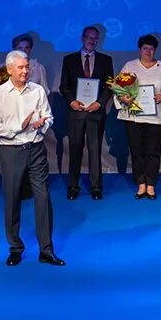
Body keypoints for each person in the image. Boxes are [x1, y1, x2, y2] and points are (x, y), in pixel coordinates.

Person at [0, 50, 64, 267]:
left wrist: (43, 123)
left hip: (36, 149)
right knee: (12, 199)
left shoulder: (37, 90)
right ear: (9, 70)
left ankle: (46, 250)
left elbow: (49, 116)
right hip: (11, 151)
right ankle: (15, 248)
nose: (25, 71)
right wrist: (18, 128)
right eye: (20, 68)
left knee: (43, 197)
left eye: (26, 67)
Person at [116, 34, 161, 200]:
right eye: (145, 48)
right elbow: (118, 88)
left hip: (155, 117)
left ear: (155, 50)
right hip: (133, 117)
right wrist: (124, 98)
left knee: (152, 151)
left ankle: (151, 185)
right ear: (140, 49)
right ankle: (141, 183)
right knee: (136, 151)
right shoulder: (130, 66)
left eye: (151, 48)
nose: (148, 51)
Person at [59, 26, 113, 200]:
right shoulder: (69, 60)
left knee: (95, 150)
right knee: (75, 150)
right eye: (89, 37)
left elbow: (109, 86)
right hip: (76, 112)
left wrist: (99, 103)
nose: (92, 41)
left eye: (96, 38)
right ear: (82, 38)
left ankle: (96, 187)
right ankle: (73, 186)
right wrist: (72, 102)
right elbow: (64, 86)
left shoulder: (106, 60)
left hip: (96, 113)